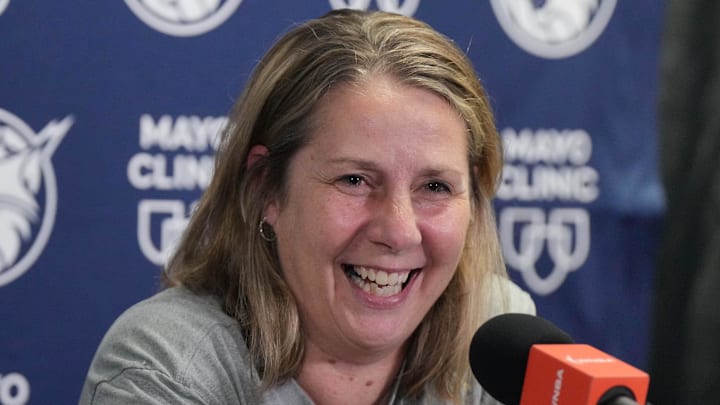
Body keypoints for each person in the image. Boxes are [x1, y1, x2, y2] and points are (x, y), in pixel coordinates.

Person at [79, 9, 534, 405]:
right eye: (354, 180)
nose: (399, 231)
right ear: (266, 187)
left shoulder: (495, 338)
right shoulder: (167, 367)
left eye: (434, 186)